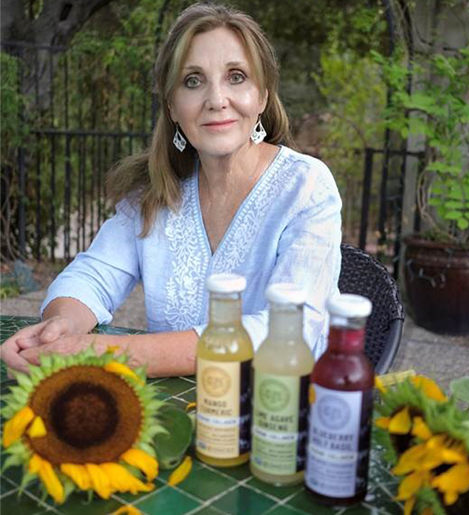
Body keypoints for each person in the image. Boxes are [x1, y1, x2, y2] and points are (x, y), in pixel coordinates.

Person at [0, 2, 342, 378]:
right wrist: (61, 327)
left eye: (236, 77)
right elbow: (92, 276)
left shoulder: (305, 186)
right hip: (175, 410)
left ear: (261, 96)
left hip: (278, 409)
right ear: (172, 105)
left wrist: (111, 351)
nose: (216, 99)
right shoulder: (155, 190)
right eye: (192, 80)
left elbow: (290, 330)